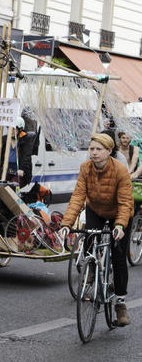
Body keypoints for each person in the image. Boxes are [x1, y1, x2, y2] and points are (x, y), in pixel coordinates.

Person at [60, 133, 134, 326]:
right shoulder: (85, 168)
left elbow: (126, 202)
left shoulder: (120, 169)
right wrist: (66, 223)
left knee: (118, 256)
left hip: (119, 212)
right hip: (96, 209)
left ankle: (120, 304)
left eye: (98, 149)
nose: (93, 153)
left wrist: (120, 225)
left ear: (109, 151)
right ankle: (91, 269)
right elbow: (78, 197)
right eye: (91, 149)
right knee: (89, 239)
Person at [0, 114, 33, 187]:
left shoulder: (26, 140)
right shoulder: (4, 139)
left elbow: (26, 157)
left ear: (20, 129)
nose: (11, 131)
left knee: (12, 186)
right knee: (0, 187)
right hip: (6, 170)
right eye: (9, 128)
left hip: (19, 171)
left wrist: (22, 169)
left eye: (14, 129)